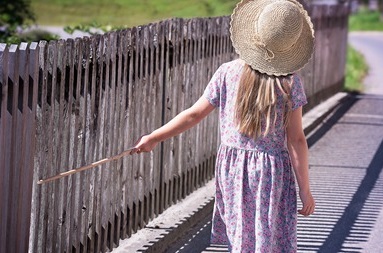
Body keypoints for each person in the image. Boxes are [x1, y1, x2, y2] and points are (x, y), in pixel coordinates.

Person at [132, 0, 315, 251]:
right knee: (268, 238)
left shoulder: (227, 72)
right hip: (272, 172)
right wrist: (305, 189)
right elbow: (296, 140)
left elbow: (193, 115)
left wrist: (154, 136)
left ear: (254, 35)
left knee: (242, 237)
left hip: (234, 169)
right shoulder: (289, 83)